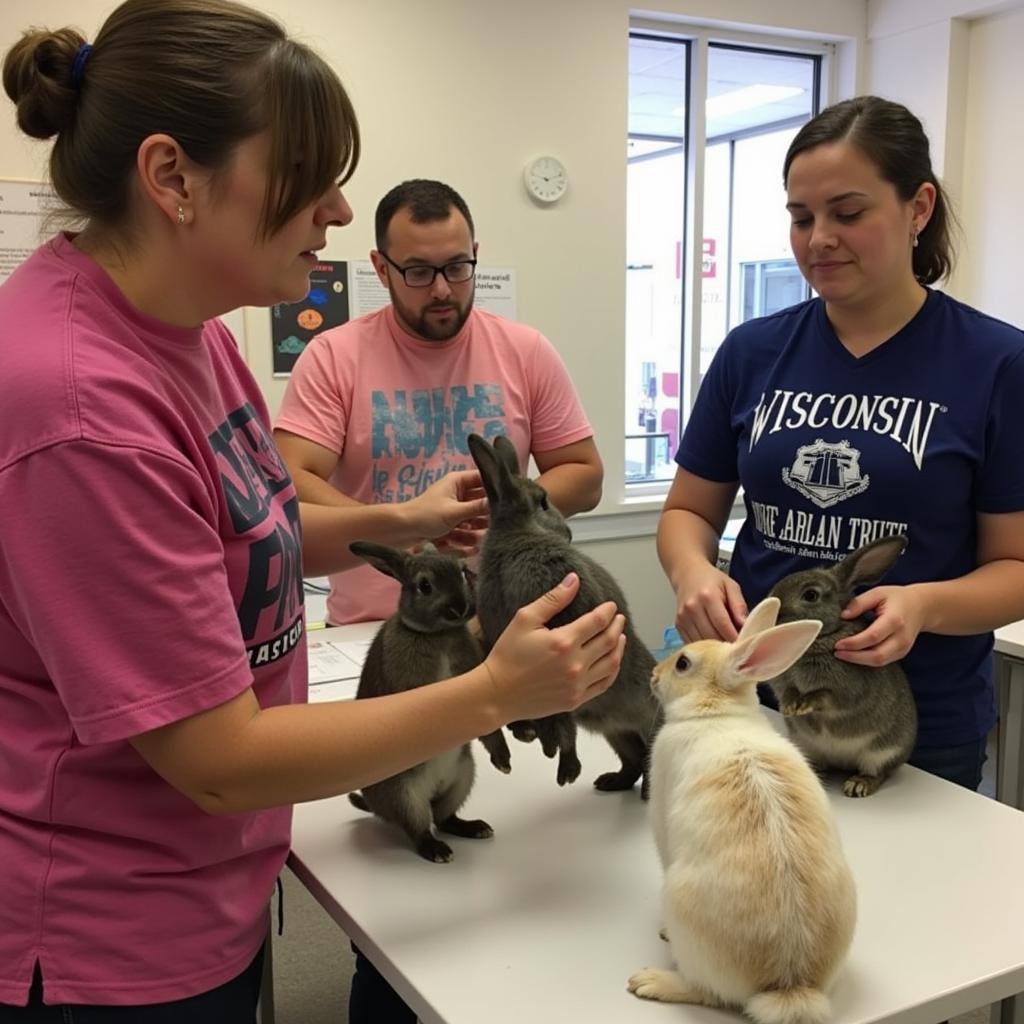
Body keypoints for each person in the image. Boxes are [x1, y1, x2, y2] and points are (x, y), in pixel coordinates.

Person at [0, 2, 627, 1019]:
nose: (337, 210)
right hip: (105, 941)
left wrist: (413, 524)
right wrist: (494, 693)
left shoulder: (187, 330)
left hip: (206, 887)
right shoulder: (81, 409)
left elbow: (253, 525)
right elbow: (216, 760)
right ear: (173, 179)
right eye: (308, 175)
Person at [657, 95, 1024, 792]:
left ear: (918, 208)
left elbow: (1016, 565)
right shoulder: (752, 352)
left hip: (914, 729)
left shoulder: (998, 364)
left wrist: (925, 607)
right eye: (801, 217)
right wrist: (692, 574)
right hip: (761, 703)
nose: (818, 237)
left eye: (847, 213)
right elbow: (688, 514)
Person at [273, 178, 604, 626]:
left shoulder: (526, 351)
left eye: (456, 267)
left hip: (504, 627)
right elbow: (291, 477)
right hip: (374, 632)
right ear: (382, 267)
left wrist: (502, 516)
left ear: (475, 255)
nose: (443, 289)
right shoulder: (334, 357)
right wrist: (404, 523)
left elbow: (585, 475)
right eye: (419, 272)